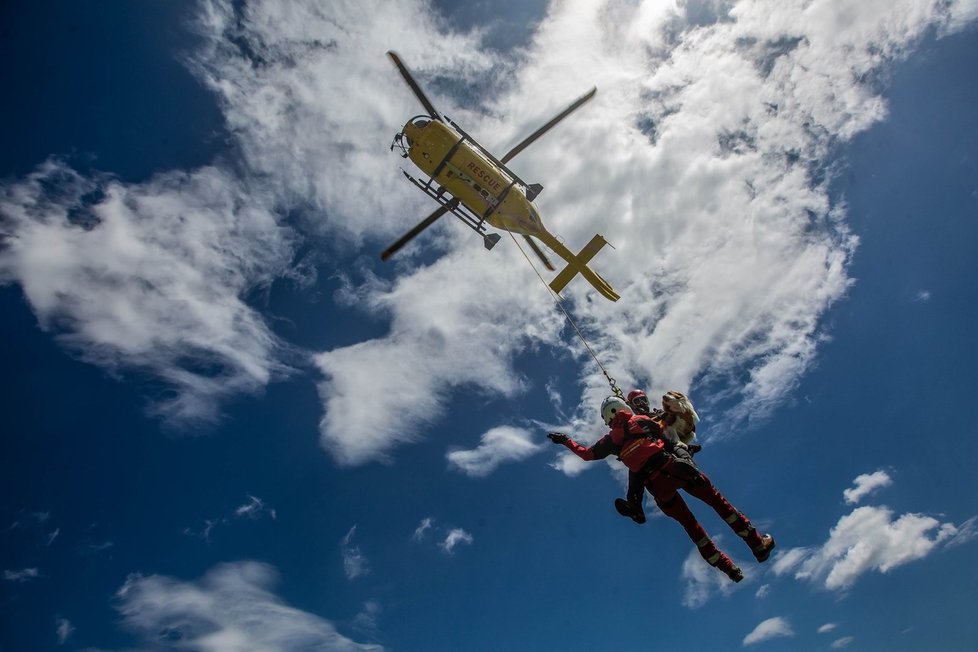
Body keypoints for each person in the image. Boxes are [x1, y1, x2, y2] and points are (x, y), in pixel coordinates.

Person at [547, 396, 775, 582]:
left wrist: (566, 440)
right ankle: (757, 544)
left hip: (657, 488)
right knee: (719, 503)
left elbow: (586, 455)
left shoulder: (610, 441)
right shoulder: (641, 420)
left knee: (693, 529)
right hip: (674, 469)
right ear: (625, 407)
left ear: (608, 419)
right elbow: (668, 430)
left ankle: (728, 569)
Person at [615, 389, 702, 524]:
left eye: (644, 400)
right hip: (653, 452)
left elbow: (674, 424)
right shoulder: (634, 422)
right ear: (632, 406)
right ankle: (635, 506)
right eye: (638, 401)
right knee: (634, 469)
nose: (642, 404)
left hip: (667, 445)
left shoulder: (655, 415)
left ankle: (689, 464)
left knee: (672, 443)